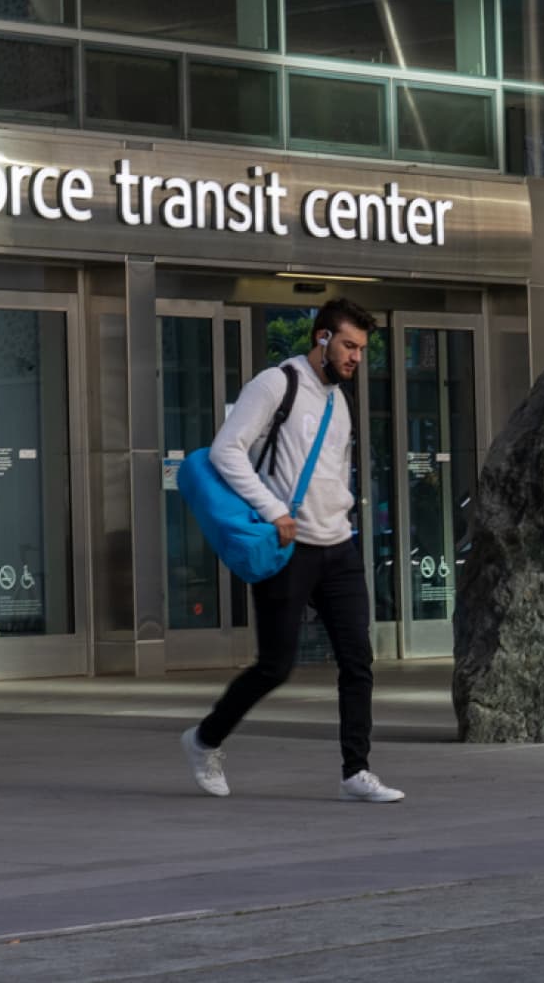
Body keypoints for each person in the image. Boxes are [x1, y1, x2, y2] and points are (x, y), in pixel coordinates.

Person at [180, 299, 404, 804]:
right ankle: (204, 740)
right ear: (321, 338)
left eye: (362, 350)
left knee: (358, 660)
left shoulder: (338, 401)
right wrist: (274, 509)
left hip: (338, 547)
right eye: (349, 345)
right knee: (275, 667)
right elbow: (225, 450)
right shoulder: (275, 384)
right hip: (287, 547)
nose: (355, 359)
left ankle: (356, 770)